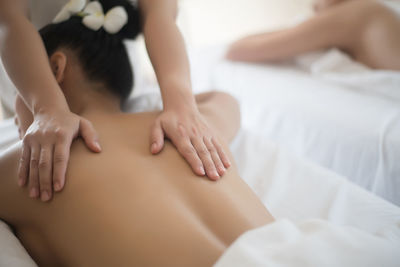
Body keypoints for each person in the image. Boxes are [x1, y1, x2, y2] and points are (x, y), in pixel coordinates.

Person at [0, 2, 274, 265]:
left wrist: (46, 107)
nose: (16, 113)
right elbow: (224, 99)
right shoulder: (195, 132)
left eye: (18, 92)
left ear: (56, 68)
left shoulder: (29, 167)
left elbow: (7, 18)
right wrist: (181, 105)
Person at [0, 0, 230, 203]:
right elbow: (8, 19)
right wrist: (47, 108)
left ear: (56, 68)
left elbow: (160, 15)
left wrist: (182, 106)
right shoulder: (160, 129)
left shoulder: (18, 172)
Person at [226, 0, 400, 70]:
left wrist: (299, 27)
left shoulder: (353, 15)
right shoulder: (378, 10)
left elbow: (238, 50)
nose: (313, 7)